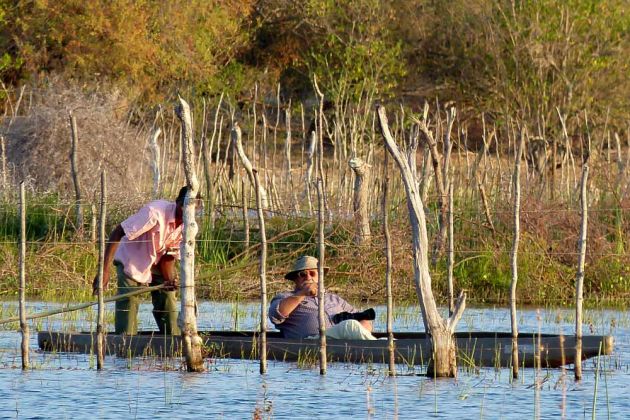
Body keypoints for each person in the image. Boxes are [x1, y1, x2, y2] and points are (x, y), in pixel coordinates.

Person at [92, 186, 201, 335]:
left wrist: (170, 280)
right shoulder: (154, 213)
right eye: (185, 207)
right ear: (178, 203)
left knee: (168, 298)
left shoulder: (189, 227)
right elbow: (117, 233)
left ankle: (173, 342)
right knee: (129, 299)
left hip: (157, 260)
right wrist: (104, 270)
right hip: (132, 259)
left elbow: (168, 256)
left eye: (193, 210)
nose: (188, 213)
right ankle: (125, 345)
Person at [269, 256, 377, 340]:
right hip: (312, 342)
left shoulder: (334, 299)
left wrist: (362, 328)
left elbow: (363, 318)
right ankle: (381, 347)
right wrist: (303, 293)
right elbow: (276, 315)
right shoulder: (285, 297)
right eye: (302, 274)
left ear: (319, 277)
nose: (308, 277)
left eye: (312, 273)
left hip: (340, 342)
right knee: (350, 325)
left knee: (355, 325)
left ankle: (377, 346)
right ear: (295, 279)